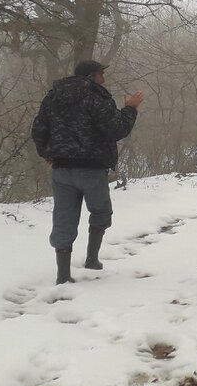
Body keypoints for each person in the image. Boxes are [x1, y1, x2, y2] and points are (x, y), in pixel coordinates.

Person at [31, 59, 144, 284]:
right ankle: (92, 260)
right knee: (101, 212)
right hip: (92, 169)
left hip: (62, 169)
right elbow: (117, 129)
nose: (104, 77)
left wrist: (48, 153)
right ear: (92, 76)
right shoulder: (97, 98)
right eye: (101, 73)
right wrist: (130, 109)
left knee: (63, 219)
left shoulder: (53, 96)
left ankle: (63, 276)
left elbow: (38, 129)